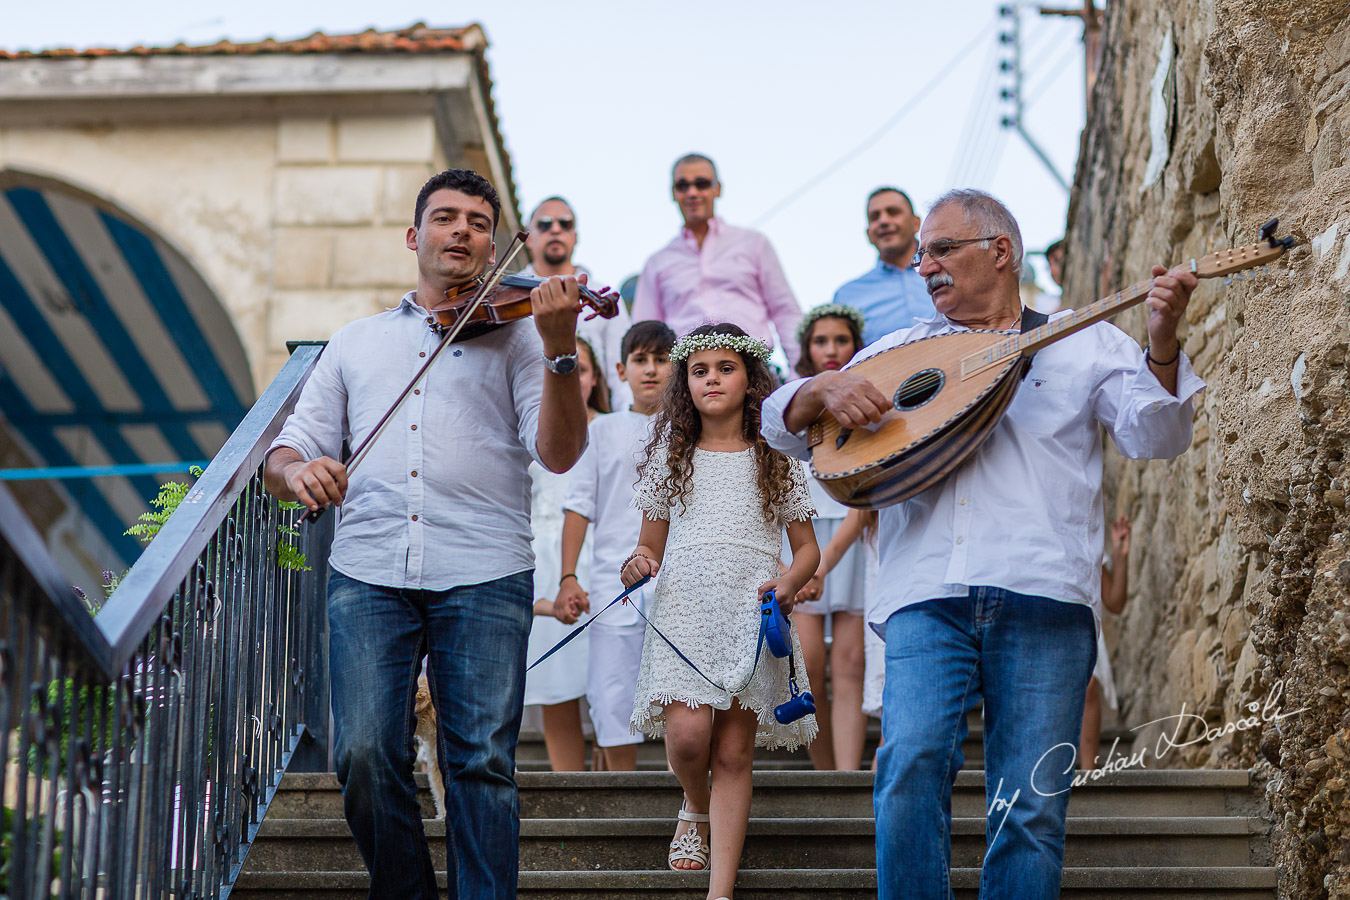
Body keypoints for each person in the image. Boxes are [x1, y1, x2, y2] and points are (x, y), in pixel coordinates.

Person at [761, 188, 1202, 899]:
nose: (923, 263)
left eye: (941, 249)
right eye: (922, 254)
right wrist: (822, 392)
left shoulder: (1083, 339)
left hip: (1045, 594)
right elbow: (779, 423)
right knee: (907, 768)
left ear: (1000, 251)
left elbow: (1159, 433)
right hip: (926, 595)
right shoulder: (905, 350)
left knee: (1029, 805)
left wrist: (1161, 340)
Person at [263, 168, 591, 900]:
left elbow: (562, 453)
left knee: (480, 762)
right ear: (416, 237)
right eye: (446, 218)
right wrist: (300, 472)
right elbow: (283, 454)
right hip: (369, 568)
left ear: (493, 243)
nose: (462, 231)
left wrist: (563, 348)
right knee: (362, 752)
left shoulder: (524, 340)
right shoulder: (355, 343)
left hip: (485, 569)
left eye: (479, 221)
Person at [621, 323, 819, 900]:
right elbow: (649, 545)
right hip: (686, 606)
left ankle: (720, 891)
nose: (712, 379)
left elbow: (806, 550)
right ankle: (693, 803)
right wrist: (637, 563)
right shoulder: (670, 454)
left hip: (750, 610)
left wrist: (787, 582)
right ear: (685, 382)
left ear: (751, 377)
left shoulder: (776, 456)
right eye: (700, 370)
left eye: (725, 368)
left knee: (733, 750)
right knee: (687, 737)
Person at [553, 320, 677, 772]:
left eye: (662, 360)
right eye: (641, 360)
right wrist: (568, 576)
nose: (651, 370)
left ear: (677, 367)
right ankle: (620, 791)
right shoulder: (602, 431)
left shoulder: (693, 431)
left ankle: (685, 801)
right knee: (611, 693)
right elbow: (578, 506)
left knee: (680, 693)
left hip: (680, 581)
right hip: (612, 580)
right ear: (621, 370)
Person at [522, 336, 610, 772]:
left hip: (604, 559)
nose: (575, 380)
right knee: (557, 683)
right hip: (545, 561)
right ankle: (569, 782)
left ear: (597, 378)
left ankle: (611, 766)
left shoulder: (610, 431)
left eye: (584, 370)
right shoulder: (529, 431)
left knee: (610, 679)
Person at [790, 303, 871, 770]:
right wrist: (803, 566)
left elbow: (868, 497)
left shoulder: (867, 402)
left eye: (840, 340)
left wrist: (824, 564)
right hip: (798, 543)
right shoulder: (791, 407)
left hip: (849, 538)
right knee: (808, 670)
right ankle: (823, 777)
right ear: (807, 348)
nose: (831, 350)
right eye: (821, 341)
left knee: (849, 664)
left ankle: (846, 777)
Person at [633, 154, 803, 368]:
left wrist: (800, 372)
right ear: (673, 193)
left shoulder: (753, 244)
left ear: (718, 189)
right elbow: (645, 334)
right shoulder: (657, 263)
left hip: (755, 369)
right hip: (687, 380)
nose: (692, 192)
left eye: (701, 184)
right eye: (683, 185)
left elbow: (785, 311)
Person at [524, 195, 633, 407]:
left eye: (565, 224)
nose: (555, 230)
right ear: (528, 238)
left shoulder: (603, 294)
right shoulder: (508, 295)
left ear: (575, 236)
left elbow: (620, 374)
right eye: (545, 224)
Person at [832, 187, 932, 346]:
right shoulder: (846, 296)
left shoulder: (948, 274)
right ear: (869, 234)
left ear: (916, 223)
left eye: (893, 212)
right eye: (875, 217)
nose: (883, 221)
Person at [1079, 514, 1132, 769]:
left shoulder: (1084, 530)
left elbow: (1115, 601)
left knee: (1089, 685)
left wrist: (1120, 554)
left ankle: (1089, 773)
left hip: (1081, 618)